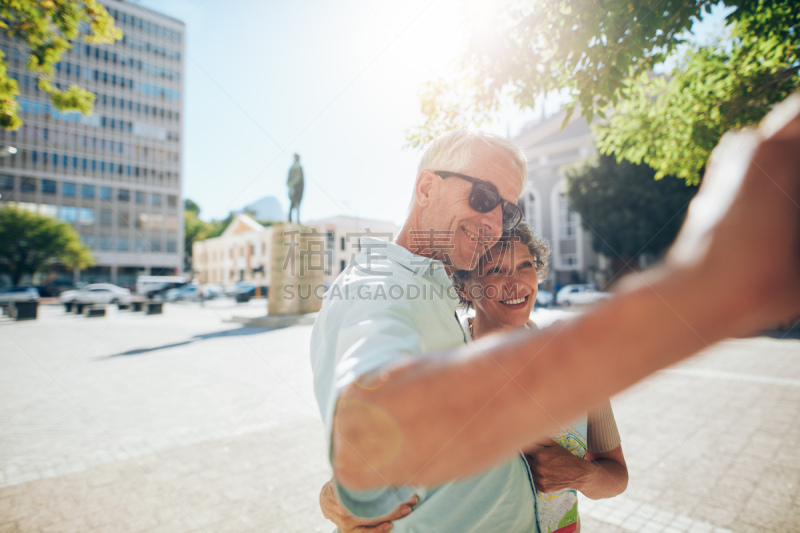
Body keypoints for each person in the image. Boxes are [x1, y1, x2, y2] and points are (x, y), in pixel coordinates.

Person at [310, 94, 800, 531]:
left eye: (507, 209)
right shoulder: (378, 282)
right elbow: (365, 430)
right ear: (425, 191)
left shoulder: (437, 293)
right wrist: (701, 291)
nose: (494, 221)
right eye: (482, 197)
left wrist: (355, 490)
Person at [319, 223, 628, 532]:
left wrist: (583, 476)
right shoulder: (439, 360)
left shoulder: (575, 357)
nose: (516, 283)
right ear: (465, 287)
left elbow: (616, 477)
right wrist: (334, 499)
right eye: (496, 270)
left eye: (525, 266)